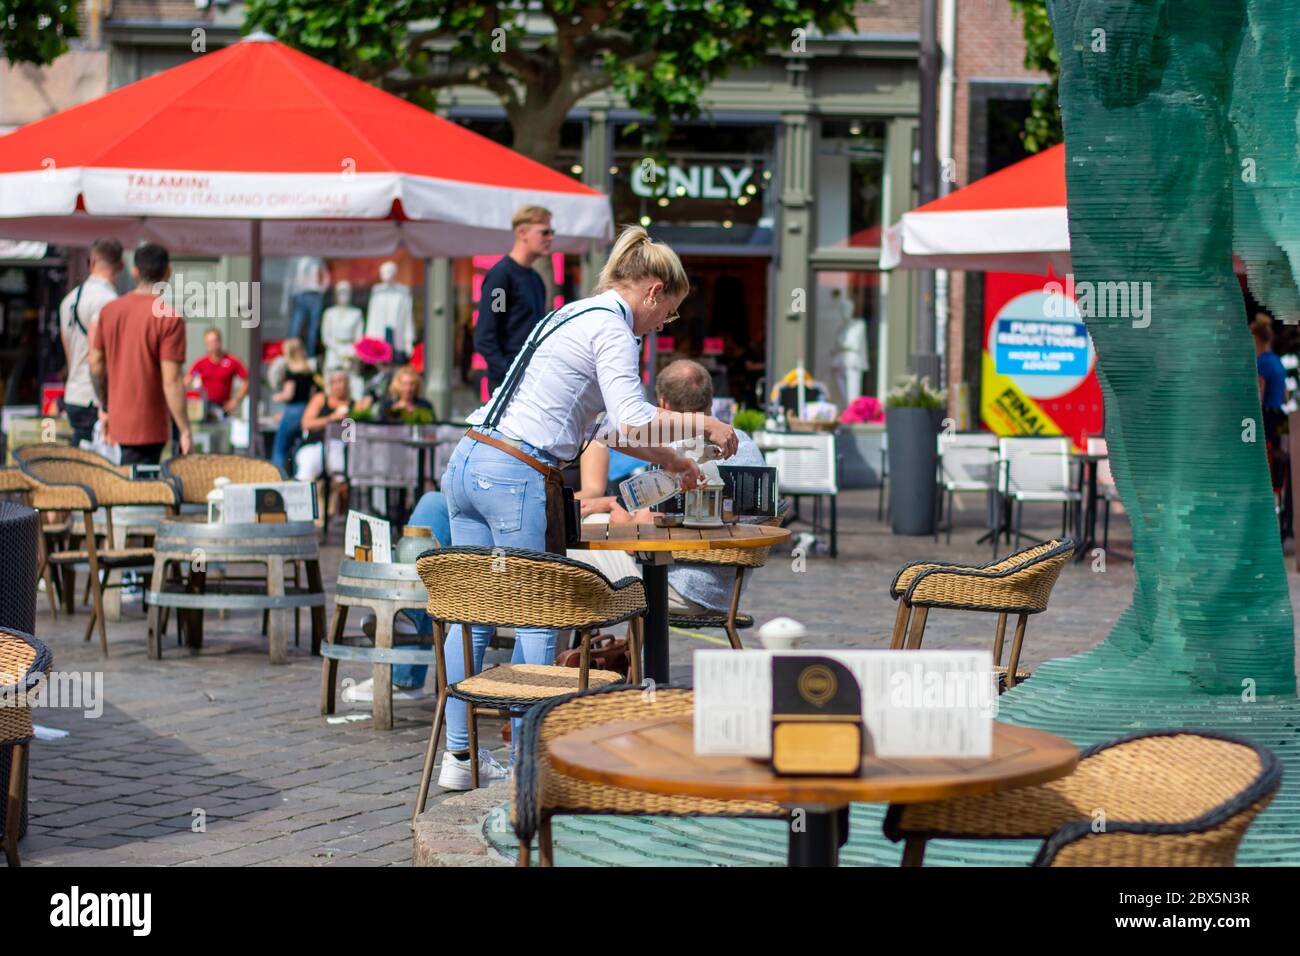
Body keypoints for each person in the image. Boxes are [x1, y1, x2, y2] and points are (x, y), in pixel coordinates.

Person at [432, 225, 737, 790]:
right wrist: (703, 424)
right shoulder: (614, 329)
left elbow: (611, 429)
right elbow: (633, 415)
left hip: (470, 459)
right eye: (667, 314)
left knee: (472, 612)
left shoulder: (569, 314)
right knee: (538, 613)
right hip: (518, 471)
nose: (661, 326)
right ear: (652, 293)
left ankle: (458, 759)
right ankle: (531, 766)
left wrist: (673, 462)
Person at [571, 359, 768, 614]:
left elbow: (638, 536)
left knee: (567, 555)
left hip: (676, 584)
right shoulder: (745, 445)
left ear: (662, 405)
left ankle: (558, 650)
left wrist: (615, 513)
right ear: (710, 401)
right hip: (726, 589)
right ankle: (618, 651)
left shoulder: (673, 452)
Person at [89, 242, 191, 464]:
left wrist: (105, 407)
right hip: (149, 426)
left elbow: (96, 364)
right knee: (144, 492)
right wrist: (184, 429)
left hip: (116, 421)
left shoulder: (109, 311)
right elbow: (172, 380)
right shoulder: (169, 317)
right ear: (168, 272)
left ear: (134, 271)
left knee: (119, 491)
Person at [473, 205, 552, 394]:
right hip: (507, 384)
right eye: (544, 232)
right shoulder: (501, 277)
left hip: (531, 381)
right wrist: (508, 373)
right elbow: (485, 335)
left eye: (552, 232)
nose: (551, 238)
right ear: (523, 233)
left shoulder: (535, 279)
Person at [59, 239, 123, 446]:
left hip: (74, 392)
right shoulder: (109, 301)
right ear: (120, 266)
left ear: (92, 261)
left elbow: (68, 350)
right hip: (95, 398)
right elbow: (101, 359)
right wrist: (105, 403)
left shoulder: (69, 299)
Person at [294, 368, 353, 482]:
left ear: (347, 383)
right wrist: (330, 418)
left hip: (341, 448)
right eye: (334, 382)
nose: (338, 386)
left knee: (341, 467)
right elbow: (306, 424)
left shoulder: (354, 405)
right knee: (308, 467)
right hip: (316, 445)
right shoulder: (321, 399)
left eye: (341, 381)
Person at [270, 338, 318, 474]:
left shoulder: (291, 372)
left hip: (292, 411)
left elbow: (289, 394)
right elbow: (312, 394)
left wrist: (277, 397)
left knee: (280, 449)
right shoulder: (309, 371)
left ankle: (276, 476)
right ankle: (298, 476)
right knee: (298, 448)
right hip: (306, 410)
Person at [1252, 313, 1287, 491]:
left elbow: (1258, 396)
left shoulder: (1261, 363)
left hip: (1266, 418)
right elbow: (1285, 397)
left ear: (1256, 338)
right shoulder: (1277, 361)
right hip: (1279, 417)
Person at [188, 328, 249, 417]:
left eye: (214, 341)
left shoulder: (231, 361)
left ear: (220, 341)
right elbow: (189, 379)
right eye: (209, 342)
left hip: (223, 408)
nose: (212, 345)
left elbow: (246, 380)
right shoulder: (201, 364)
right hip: (205, 408)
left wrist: (236, 400)